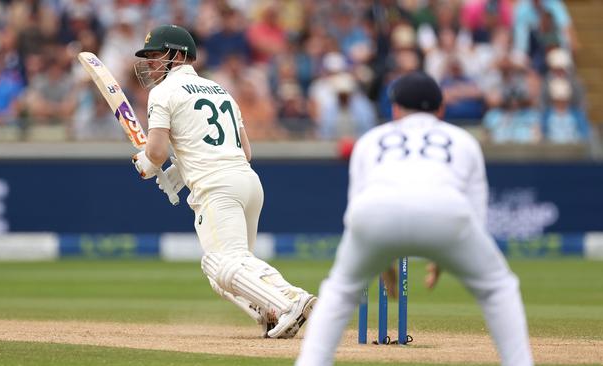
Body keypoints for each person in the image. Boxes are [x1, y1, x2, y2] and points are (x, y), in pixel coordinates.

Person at [296, 72, 533, 366]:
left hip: (374, 214)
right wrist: (444, 256)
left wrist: (381, 261)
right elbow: (475, 217)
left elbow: (357, 211)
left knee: (340, 291)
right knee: (498, 287)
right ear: (441, 109)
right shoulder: (463, 140)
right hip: (446, 212)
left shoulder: (371, 140)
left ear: (395, 109)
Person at [131, 24, 316, 339]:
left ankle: (290, 300)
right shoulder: (221, 90)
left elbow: (158, 152)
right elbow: (245, 149)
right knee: (227, 271)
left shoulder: (162, 92)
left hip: (216, 188)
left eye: (155, 54)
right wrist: (179, 169)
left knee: (220, 261)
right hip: (248, 183)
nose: (149, 62)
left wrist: (147, 162)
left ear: (177, 55)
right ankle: (269, 310)